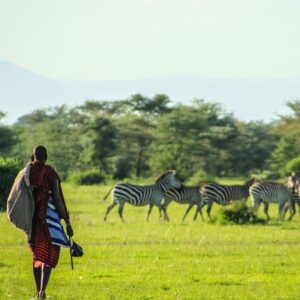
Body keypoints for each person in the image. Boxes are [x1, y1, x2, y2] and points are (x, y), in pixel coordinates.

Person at [28, 145, 73, 299]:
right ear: (46, 157)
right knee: (49, 254)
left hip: (32, 220)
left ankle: (38, 292)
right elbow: (58, 199)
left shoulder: (27, 172)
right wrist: (67, 222)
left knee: (36, 254)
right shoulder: (51, 173)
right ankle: (42, 292)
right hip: (49, 220)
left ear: (33, 157)